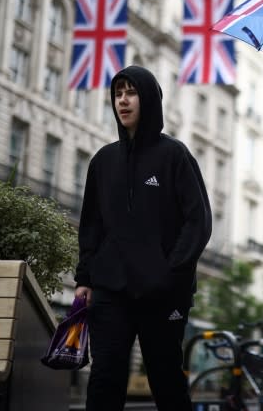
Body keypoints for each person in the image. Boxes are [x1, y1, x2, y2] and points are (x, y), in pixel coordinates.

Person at [73, 66, 212, 410]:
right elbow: (91, 224)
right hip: (110, 291)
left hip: (164, 294)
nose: (123, 101)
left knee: (165, 379)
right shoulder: (102, 161)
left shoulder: (174, 155)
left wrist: (170, 272)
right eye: (118, 93)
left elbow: (199, 221)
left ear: (148, 99)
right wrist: (84, 278)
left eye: (131, 92)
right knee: (105, 377)